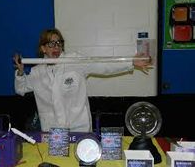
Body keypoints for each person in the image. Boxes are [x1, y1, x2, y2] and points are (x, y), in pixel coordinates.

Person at [13, 28, 151, 132]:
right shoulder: (37, 72)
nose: (56, 47)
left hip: (79, 128)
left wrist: (130, 62)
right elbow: (21, 89)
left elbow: (103, 65)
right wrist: (20, 72)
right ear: (43, 48)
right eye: (51, 43)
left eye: (59, 43)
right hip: (52, 131)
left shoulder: (74, 61)